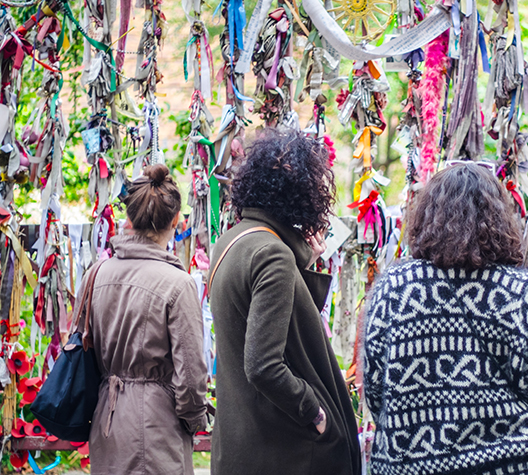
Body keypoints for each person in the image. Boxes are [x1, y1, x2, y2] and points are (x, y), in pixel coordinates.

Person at [363, 163, 528, 475]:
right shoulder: (523, 291)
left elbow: (375, 386)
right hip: (506, 464)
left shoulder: (394, 286)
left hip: (409, 465)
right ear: (498, 217)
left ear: (427, 215)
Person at [208, 129, 361, 475]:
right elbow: (264, 365)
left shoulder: (234, 240)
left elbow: (282, 323)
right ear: (300, 193)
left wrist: (302, 258)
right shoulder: (272, 254)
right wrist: (315, 413)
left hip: (242, 445)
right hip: (282, 451)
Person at [83, 164, 208, 475]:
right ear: (177, 221)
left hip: (106, 422)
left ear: (129, 219)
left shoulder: (96, 274)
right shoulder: (177, 284)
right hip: (156, 428)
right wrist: (194, 421)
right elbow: (191, 374)